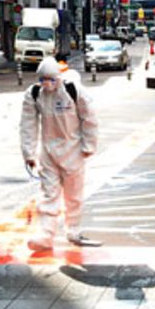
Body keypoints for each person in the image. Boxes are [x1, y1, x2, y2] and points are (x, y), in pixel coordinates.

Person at [20, 58, 99, 250]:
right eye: (43, 79)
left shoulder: (73, 91)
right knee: (49, 194)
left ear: (59, 78)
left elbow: (89, 118)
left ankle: (73, 229)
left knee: (74, 194)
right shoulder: (34, 93)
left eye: (51, 79)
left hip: (73, 149)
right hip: (48, 152)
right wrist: (29, 153)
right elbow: (28, 124)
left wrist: (89, 145)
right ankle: (46, 235)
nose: (47, 84)